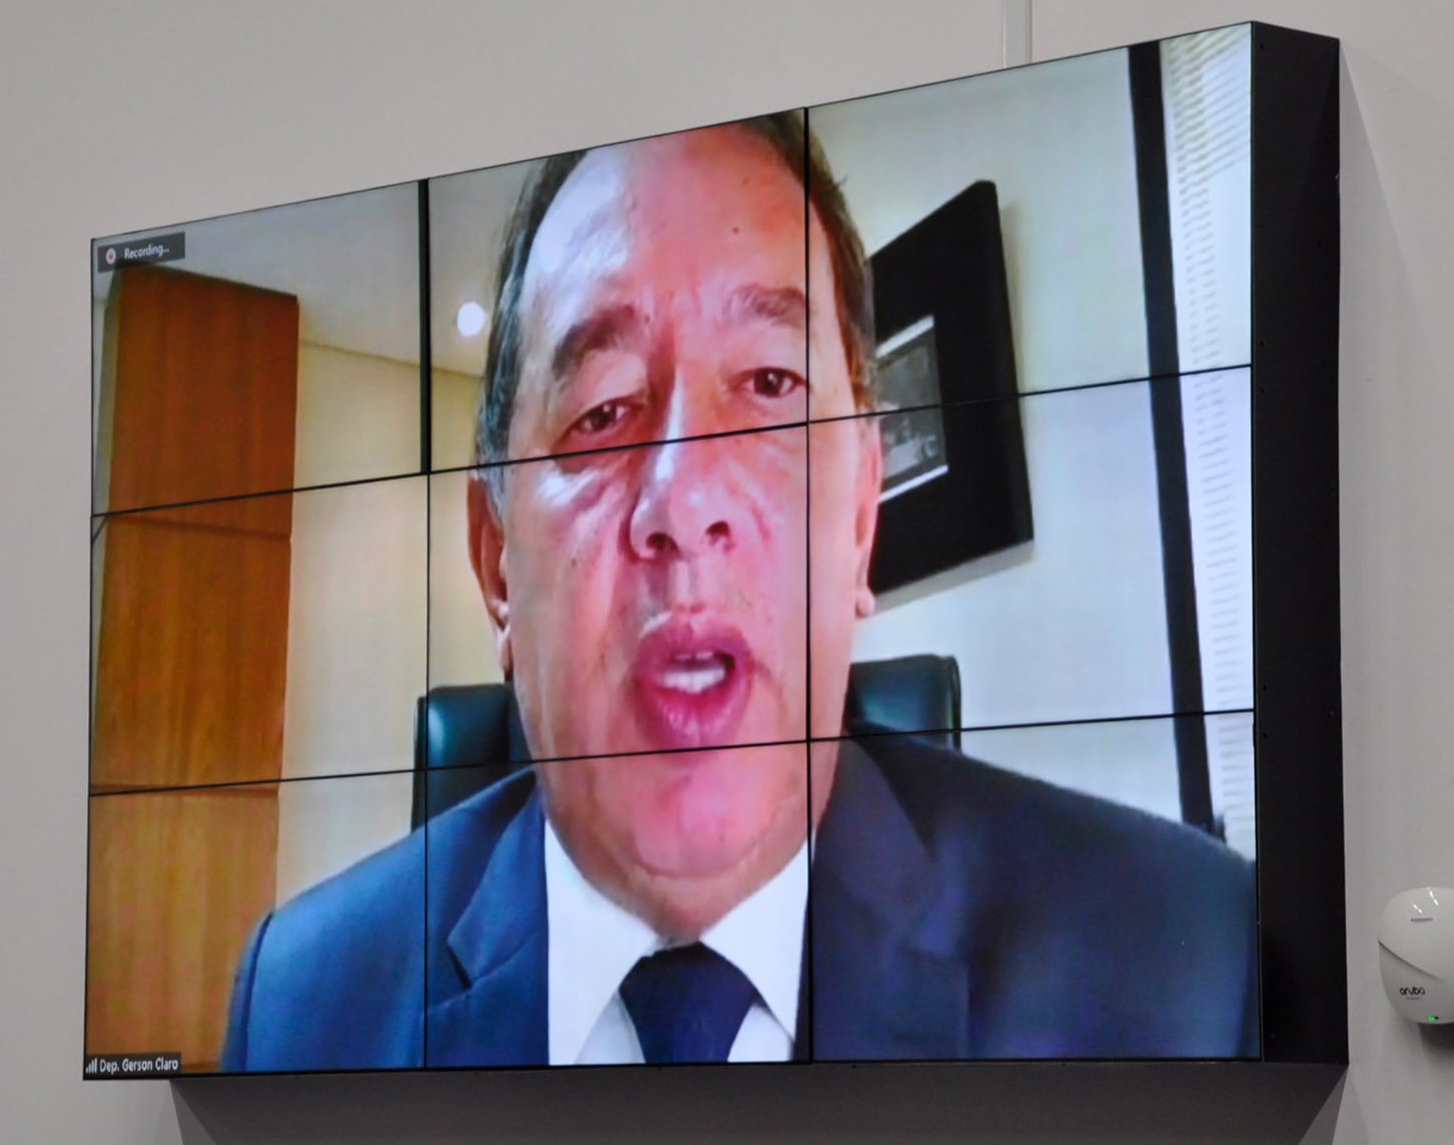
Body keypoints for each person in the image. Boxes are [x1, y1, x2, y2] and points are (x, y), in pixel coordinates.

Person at [221, 112, 1257, 1071]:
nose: (684, 500)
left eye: (770, 386)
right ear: (496, 559)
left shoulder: (1179, 965)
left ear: (859, 523)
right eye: (602, 411)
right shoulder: (304, 1010)